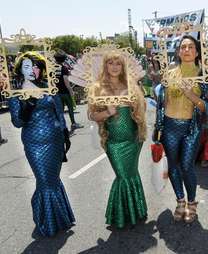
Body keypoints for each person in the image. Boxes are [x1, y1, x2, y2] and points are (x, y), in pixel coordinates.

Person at [8, 52, 75, 237]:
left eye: (36, 66)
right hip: (34, 144)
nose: (32, 70)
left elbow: (59, 113)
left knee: (53, 180)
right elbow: (17, 122)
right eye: (27, 66)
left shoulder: (48, 87)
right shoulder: (16, 94)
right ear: (20, 69)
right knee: (44, 182)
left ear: (41, 69)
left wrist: (64, 135)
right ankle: (46, 220)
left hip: (55, 141)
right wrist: (27, 107)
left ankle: (61, 218)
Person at [154, 35, 208, 223]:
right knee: (173, 166)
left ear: (196, 52)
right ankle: (180, 201)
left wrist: (191, 95)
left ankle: (192, 203)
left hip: (191, 128)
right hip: (170, 126)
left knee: (187, 166)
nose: (186, 50)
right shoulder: (170, 74)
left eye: (190, 47)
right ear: (178, 51)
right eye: (183, 47)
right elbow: (163, 103)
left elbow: (206, 108)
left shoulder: (203, 75)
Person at [88, 53, 148, 228]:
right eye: (110, 63)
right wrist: (108, 113)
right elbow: (92, 115)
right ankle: (121, 215)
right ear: (105, 66)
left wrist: (135, 105)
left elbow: (142, 108)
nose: (114, 67)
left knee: (132, 173)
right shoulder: (98, 88)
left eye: (118, 64)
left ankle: (137, 211)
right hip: (113, 141)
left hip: (133, 138)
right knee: (123, 175)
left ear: (122, 67)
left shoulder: (130, 85)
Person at [54, 51, 83, 133]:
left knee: (60, 110)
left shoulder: (52, 68)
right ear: (64, 59)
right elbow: (66, 81)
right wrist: (71, 91)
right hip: (65, 92)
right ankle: (73, 123)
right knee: (70, 107)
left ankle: (61, 126)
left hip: (56, 93)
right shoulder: (63, 68)